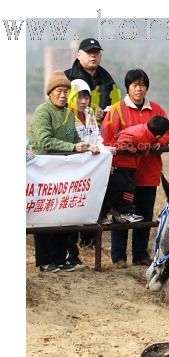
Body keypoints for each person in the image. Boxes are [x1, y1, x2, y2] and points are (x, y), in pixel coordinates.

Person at [29, 71, 101, 272]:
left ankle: (61, 259)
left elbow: (73, 139)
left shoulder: (68, 115)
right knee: (44, 216)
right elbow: (44, 141)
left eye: (66, 92)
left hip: (62, 172)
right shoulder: (43, 113)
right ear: (50, 93)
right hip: (43, 172)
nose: (62, 95)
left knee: (62, 213)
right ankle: (44, 261)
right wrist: (73, 148)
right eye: (59, 91)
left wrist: (87, 146)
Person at [101, 68, 169, 267]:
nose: (139, 89)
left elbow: (168, 131)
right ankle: (119, 257)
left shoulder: (157, 109)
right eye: (134, 85)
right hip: (123, 172)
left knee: (144, 213)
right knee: (121, 213)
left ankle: (141, 255)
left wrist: (160, 142)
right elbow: (107, 136)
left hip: (147, 172)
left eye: (142, 85)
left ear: (147, 88)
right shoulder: (116, 110)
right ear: (128, 87)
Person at [69, 79, 131, 226]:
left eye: (86, 97)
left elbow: (97, 137)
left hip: (93, 162)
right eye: (79, 97)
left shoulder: (90, 113)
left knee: (119, 181)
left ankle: (101, 214)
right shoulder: (66, 116)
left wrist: (105, 152)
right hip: (76, 166)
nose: (83, 101)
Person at [64, 38, 117, 124]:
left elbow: (115, 103)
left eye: (96, 52)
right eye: (89, 52)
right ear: (78, 55)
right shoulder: (66, 78)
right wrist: (90, 111)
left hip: (101, 130)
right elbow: (60, 105)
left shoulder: (108, 80)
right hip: (73, 128)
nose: (93, 55)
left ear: (100, 56)